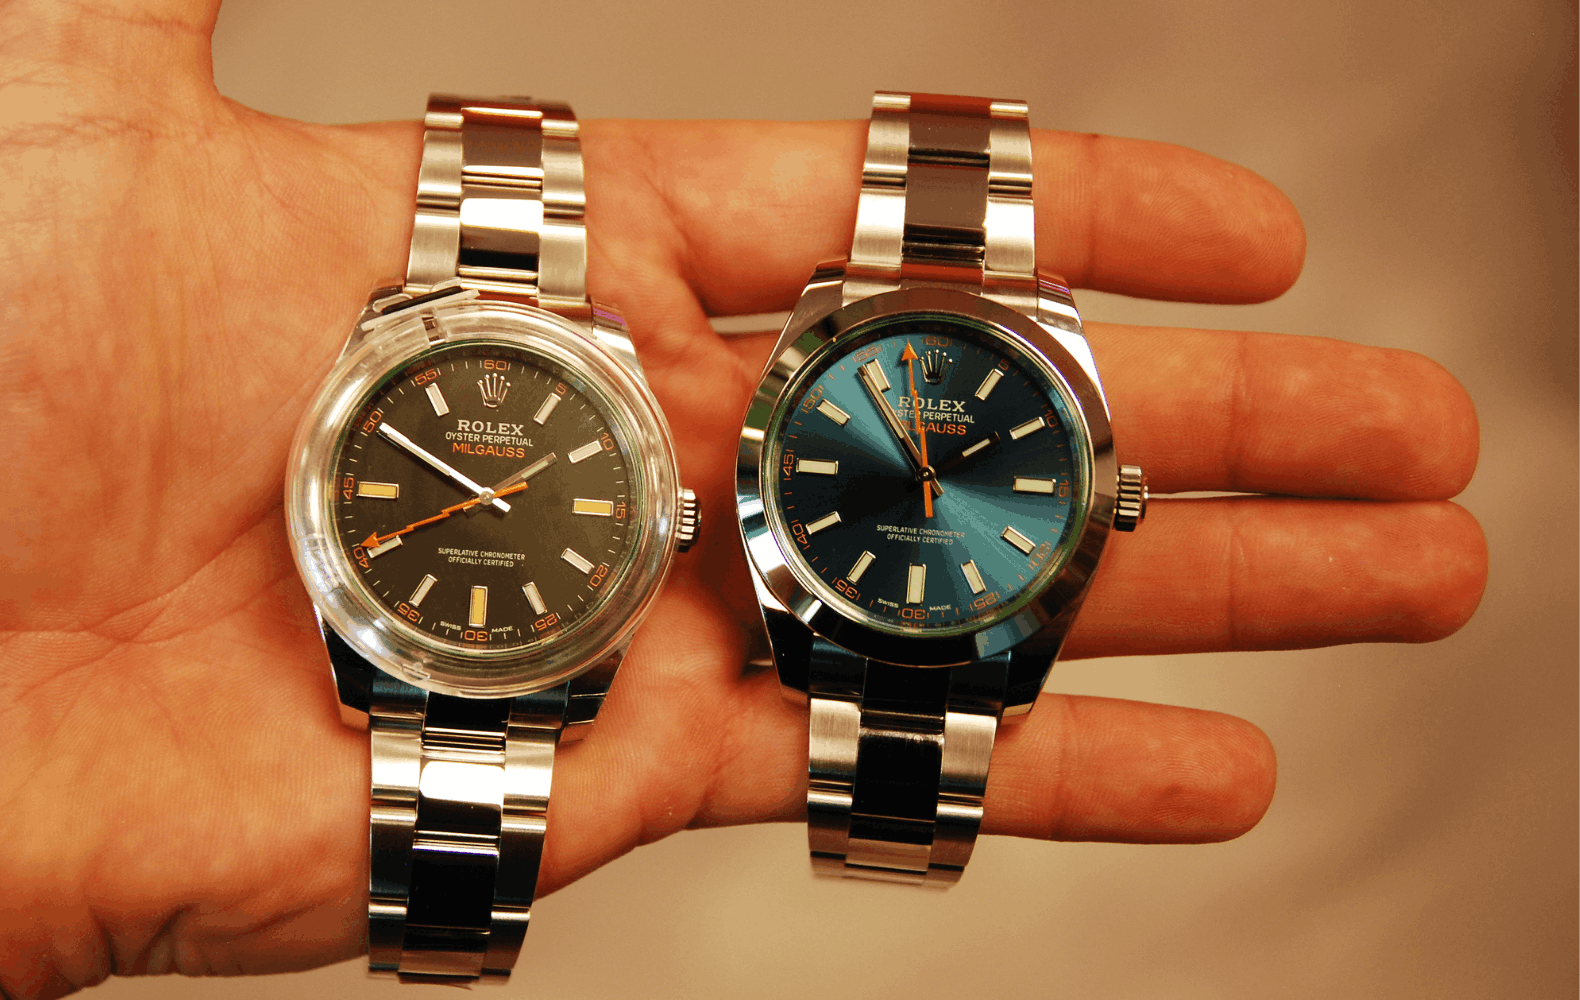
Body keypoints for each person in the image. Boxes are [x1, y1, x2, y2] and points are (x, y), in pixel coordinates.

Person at [0, 0, 1487, 996]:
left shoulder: (826, 468)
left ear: (1115, 497)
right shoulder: (530, 463)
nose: (930, 481)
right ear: (679, 512)